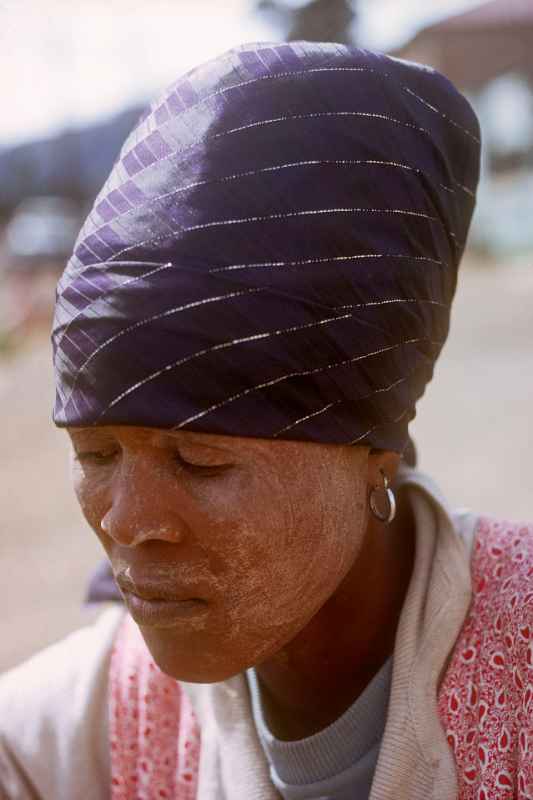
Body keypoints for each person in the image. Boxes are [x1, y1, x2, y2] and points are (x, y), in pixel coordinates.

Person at [1, 41, 531, 800]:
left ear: (373, 452)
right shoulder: (74, 739)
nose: (129, 521)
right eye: (95, 452)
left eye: (199, 461)